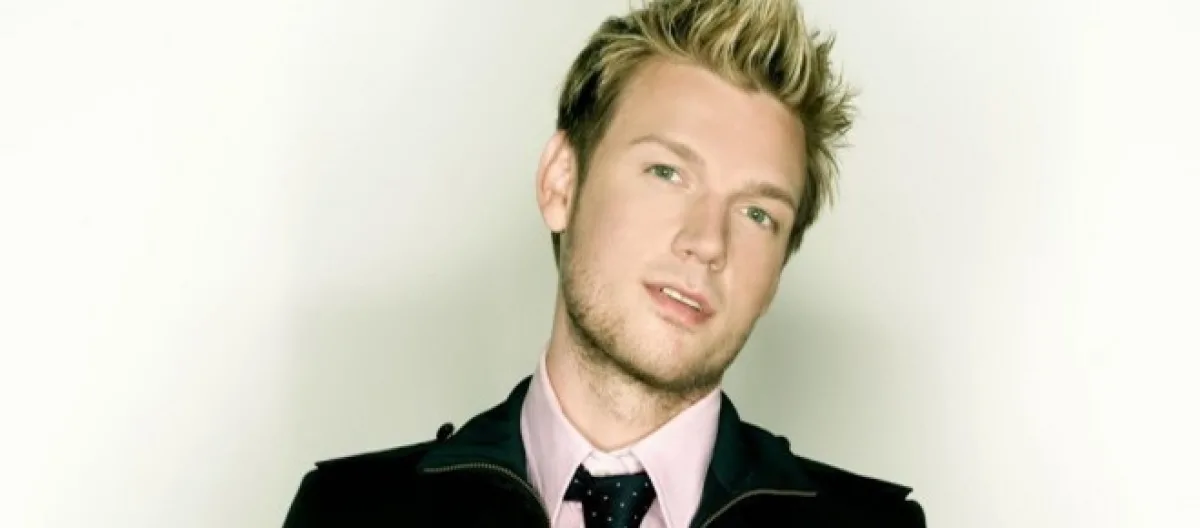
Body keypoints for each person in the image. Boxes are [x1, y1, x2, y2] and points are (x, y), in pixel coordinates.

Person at [283, 0, 925, 526]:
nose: (708, 242)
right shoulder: (347, 514)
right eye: (667, 172)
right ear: (561, 183)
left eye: (758, 213)